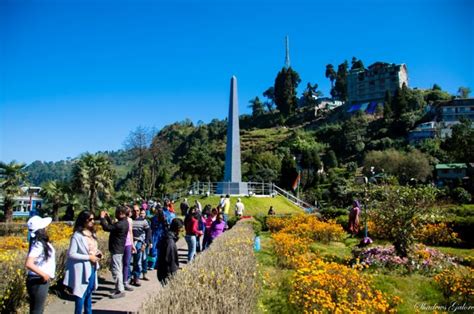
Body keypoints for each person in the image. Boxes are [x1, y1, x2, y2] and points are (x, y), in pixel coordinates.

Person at [63, 210, 101, 314]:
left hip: (92, 267)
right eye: (90, 219)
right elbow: (71, 254)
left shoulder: (92, 234)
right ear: (84, 220)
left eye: (93, 219)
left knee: (89, 293)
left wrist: (97, 253)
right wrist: (88, 257)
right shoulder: (77, 236)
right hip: (82, 269)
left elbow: (93, 248)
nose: (92, 221)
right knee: (81, 294)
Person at [25, 216, 55, 314]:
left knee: (36, 309)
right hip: (38, 280)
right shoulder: (38, 244)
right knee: (37, 310)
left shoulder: (39, 243)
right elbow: (29, 263)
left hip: (38, 279)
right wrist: (44, 274)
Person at [100, 206, 129, 299]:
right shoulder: (124, 222)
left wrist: (101, 218)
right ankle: (118, 288)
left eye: (116, 213)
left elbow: (107, 228)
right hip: (119, 249)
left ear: (120, 213)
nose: (115, 215)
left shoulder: (120, 224)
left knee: (116, 270)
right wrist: (107, 218)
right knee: (118, 269)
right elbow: (113, 226)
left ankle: (120, 290)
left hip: (116, 249)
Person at [157, 218, 184, 285]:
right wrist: (173, 274)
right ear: (177, 229)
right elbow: (169, 260)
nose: (181, 231)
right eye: (181, 229)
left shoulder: (167, 237)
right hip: (167, 274)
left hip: (163, 272)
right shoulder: (170, 242)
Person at [131, 208, 151, 286]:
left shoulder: (143, 221)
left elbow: (148, 231)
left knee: (137, 261)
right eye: (134, 210)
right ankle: (130, 277)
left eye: (137, 210)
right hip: (130, 243)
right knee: (129, 262)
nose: (136, 212)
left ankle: (136, 278)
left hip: (139, 243)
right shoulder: (129, 220)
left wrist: (146, 243)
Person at [122, 206, 136, 292]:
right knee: (121, 264)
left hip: (127, 243)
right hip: (120, 244)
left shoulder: (130, 220)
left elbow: (130, 232)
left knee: (126, 263)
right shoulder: (119, 220)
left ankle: (125, 281)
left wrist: (132, 244)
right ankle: (121, 281)